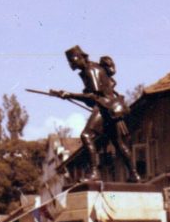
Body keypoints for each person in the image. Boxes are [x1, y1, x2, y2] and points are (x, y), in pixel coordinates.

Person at [60, 46, 140, 182]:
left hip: (105, 108)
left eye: (72, 61)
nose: (71, 64)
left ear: (80, 57)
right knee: (119, 144)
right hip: (110, 108)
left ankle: (94, 172)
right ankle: (134, 174)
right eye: (70, 62)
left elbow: (93, 96)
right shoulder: (92, 68)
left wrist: (70, 95)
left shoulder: (90, 70)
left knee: (86, 136)